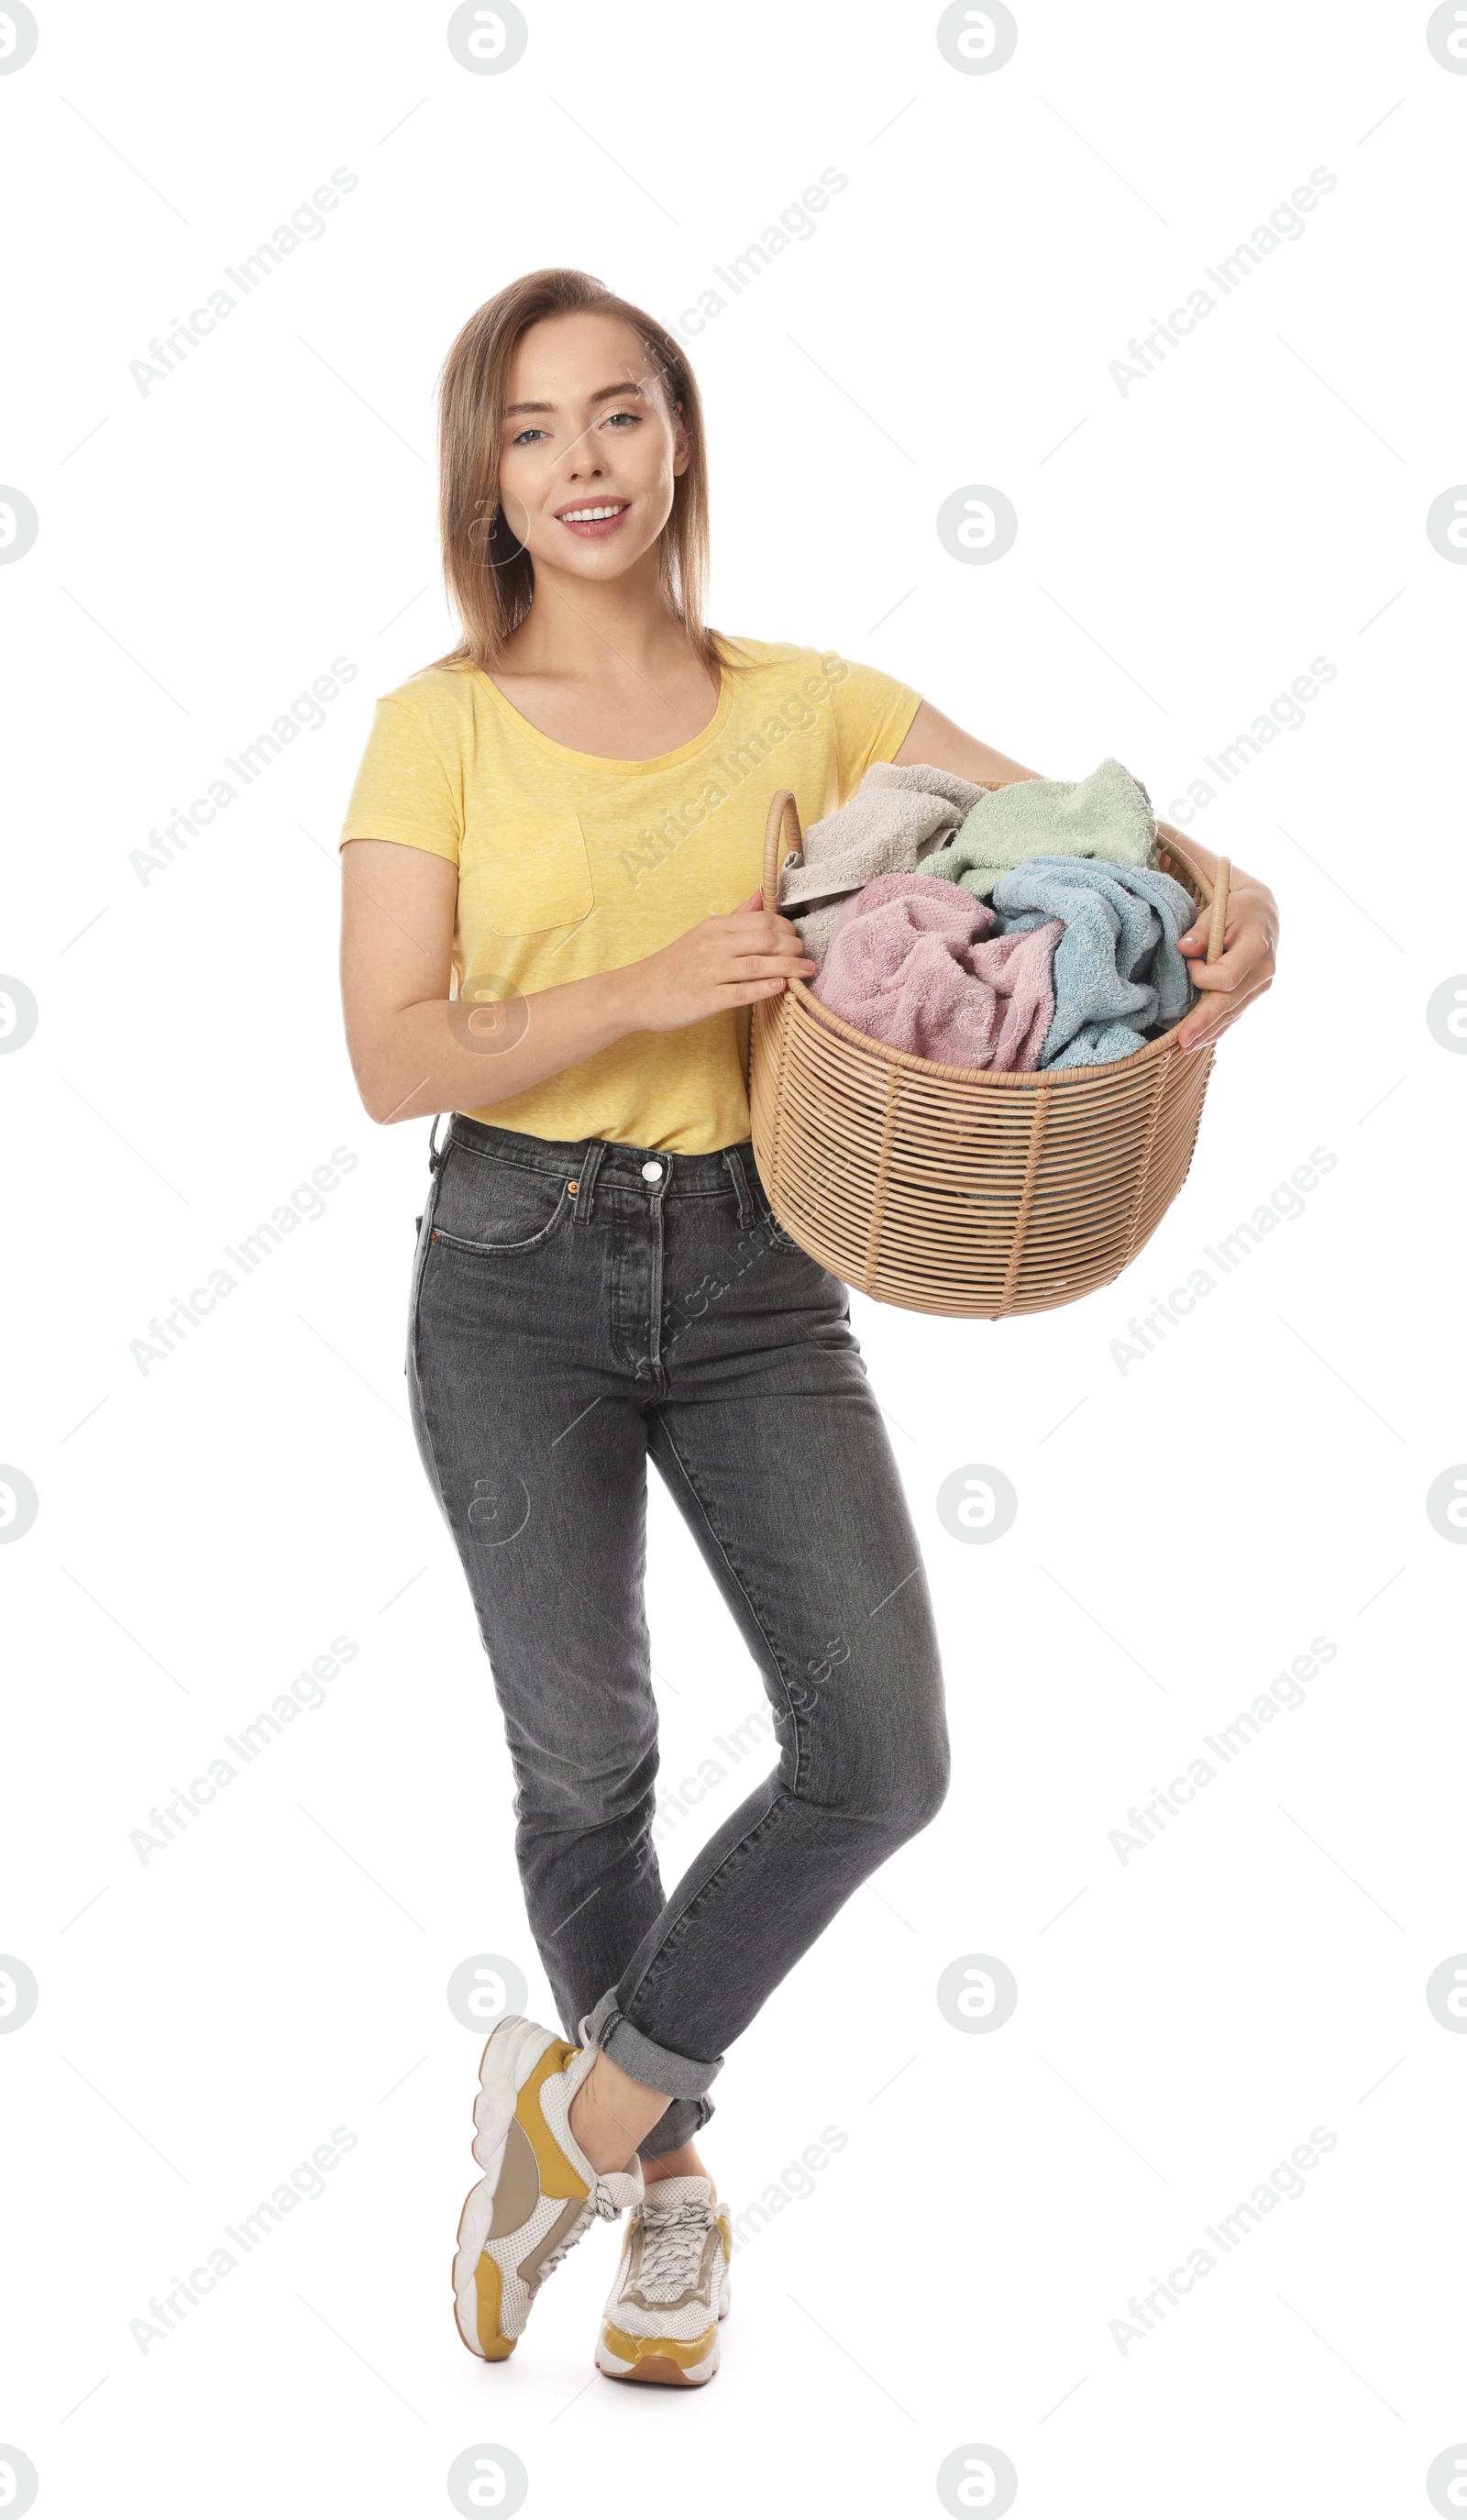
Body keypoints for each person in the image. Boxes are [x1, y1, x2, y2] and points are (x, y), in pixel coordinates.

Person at [337, 267, 1279, 2389]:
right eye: (531, 429)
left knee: (879, 1757)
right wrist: (643, 987)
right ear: (484, 480)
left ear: (678, 438)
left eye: (617, 415)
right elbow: (390, 1055)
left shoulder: (815, 702)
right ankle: (666, 2200)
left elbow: (1101, 842)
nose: (582, 463)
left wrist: (1249, 908)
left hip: (762, 1275)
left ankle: (568, 2124)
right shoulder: (438, 725)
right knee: (587, 1766)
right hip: (508, 1267)